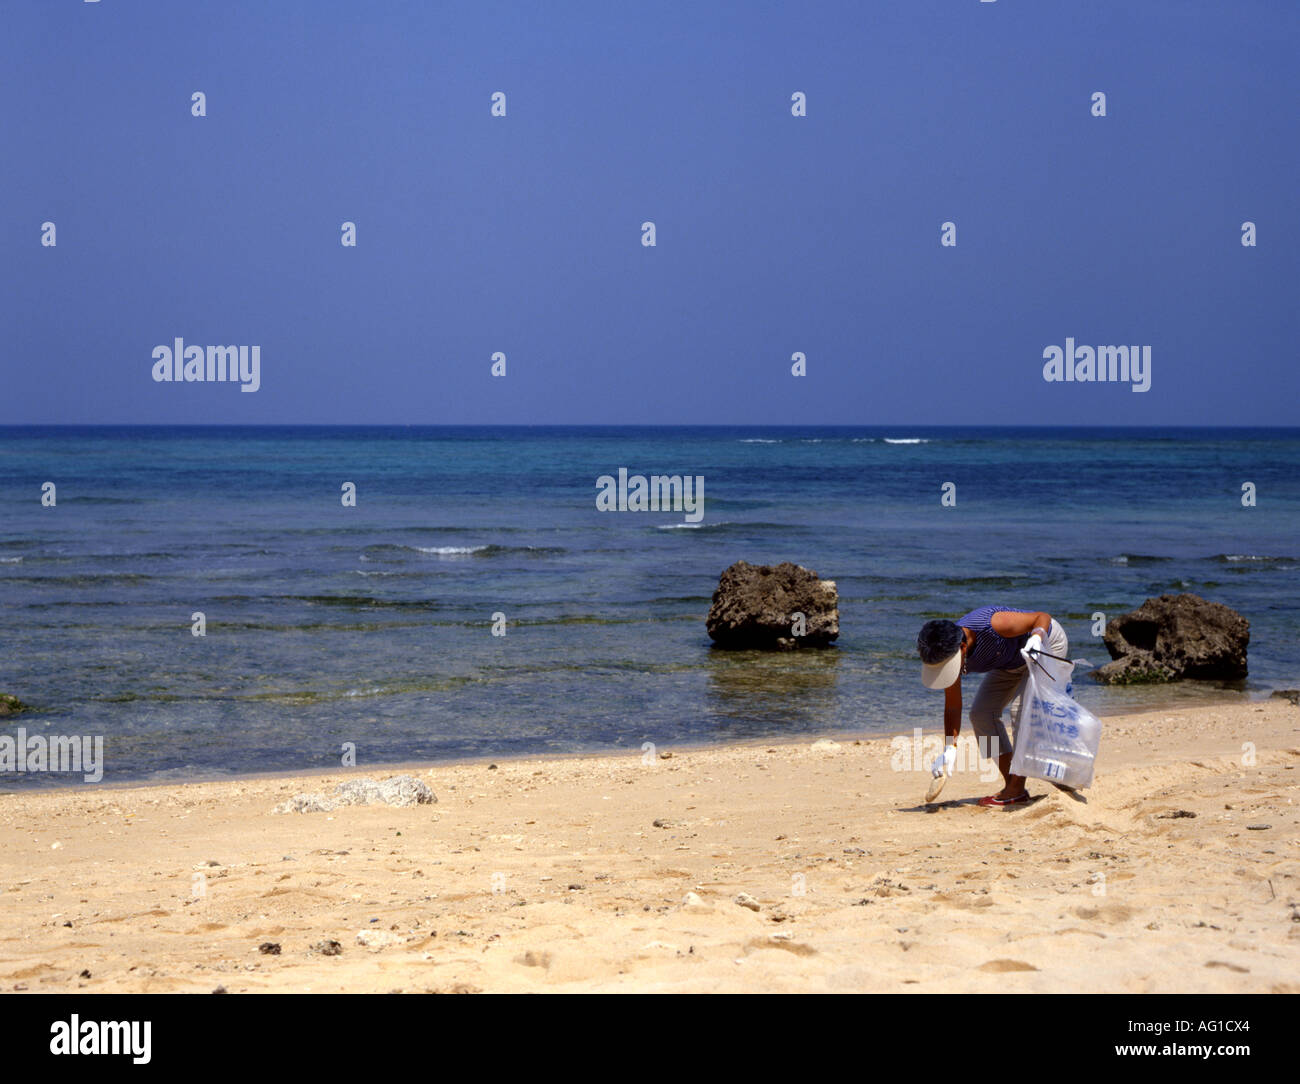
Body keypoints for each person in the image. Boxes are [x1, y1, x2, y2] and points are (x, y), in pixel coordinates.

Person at [916, 606, 1069, 807]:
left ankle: (1015, 788)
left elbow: (1042, 617)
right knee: (980, 715)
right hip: (1008, 663)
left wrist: (1037, 637)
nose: (945, 671)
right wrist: (949, 748)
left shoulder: (992, 624)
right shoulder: (948, 653)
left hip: (1045, 646)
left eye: (946, 667)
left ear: (962, 648)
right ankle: (1014, 786)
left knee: (1020, 713)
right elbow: (953, 706)